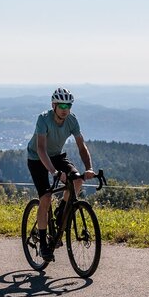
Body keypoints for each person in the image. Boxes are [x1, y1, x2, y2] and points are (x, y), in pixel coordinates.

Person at [26, 87, 95, 261]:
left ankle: (61, 211)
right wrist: (55, 172)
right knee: (46, 197)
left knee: (77, 180)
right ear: (54, 105)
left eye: (68, 105)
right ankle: (43, 244)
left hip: (56, 155)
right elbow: (41, 149)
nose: (65, 109)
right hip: (37, 158)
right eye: (62, 105)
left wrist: (89, 168)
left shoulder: (72, 120)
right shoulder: (43, 119)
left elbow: (81, 146)